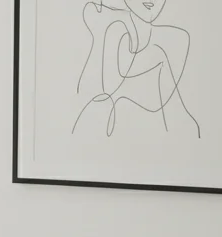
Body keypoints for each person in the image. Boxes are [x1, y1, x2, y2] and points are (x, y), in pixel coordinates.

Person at [73, 0, 200, 137]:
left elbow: (172, 114)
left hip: (160, 138)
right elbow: (90, 96)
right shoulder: (112, 29)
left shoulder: (175, 39)